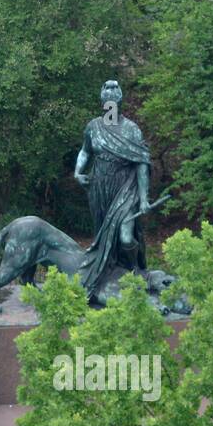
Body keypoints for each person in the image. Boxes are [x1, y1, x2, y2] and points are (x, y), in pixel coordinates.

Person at [73, 79, 153, 296]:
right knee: (103, 233)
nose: (110, 95)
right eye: (106, 91)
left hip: (126, 189)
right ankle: (109, 271)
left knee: (126, 237)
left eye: (114, 90)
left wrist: (144, 198)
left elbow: (142, 164)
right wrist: (78, 173)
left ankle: (136, 268)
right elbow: (85, 152)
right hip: (100, 188)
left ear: (119, 100)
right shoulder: (93, 127)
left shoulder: (131, 130)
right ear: (102, 100)